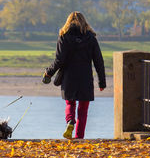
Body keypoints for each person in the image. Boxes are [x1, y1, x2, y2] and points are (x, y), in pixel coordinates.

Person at [42, 11, 106, 139]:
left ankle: (70, 121)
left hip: (69, 77)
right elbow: (98, 61)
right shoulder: (91, 38)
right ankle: (79, 137)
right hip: (85, 77)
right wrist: (102, 82)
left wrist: (49, 72)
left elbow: (59, 60)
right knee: (83, 110)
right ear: (84, 22)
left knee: (70, 104)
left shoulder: (64, 36)